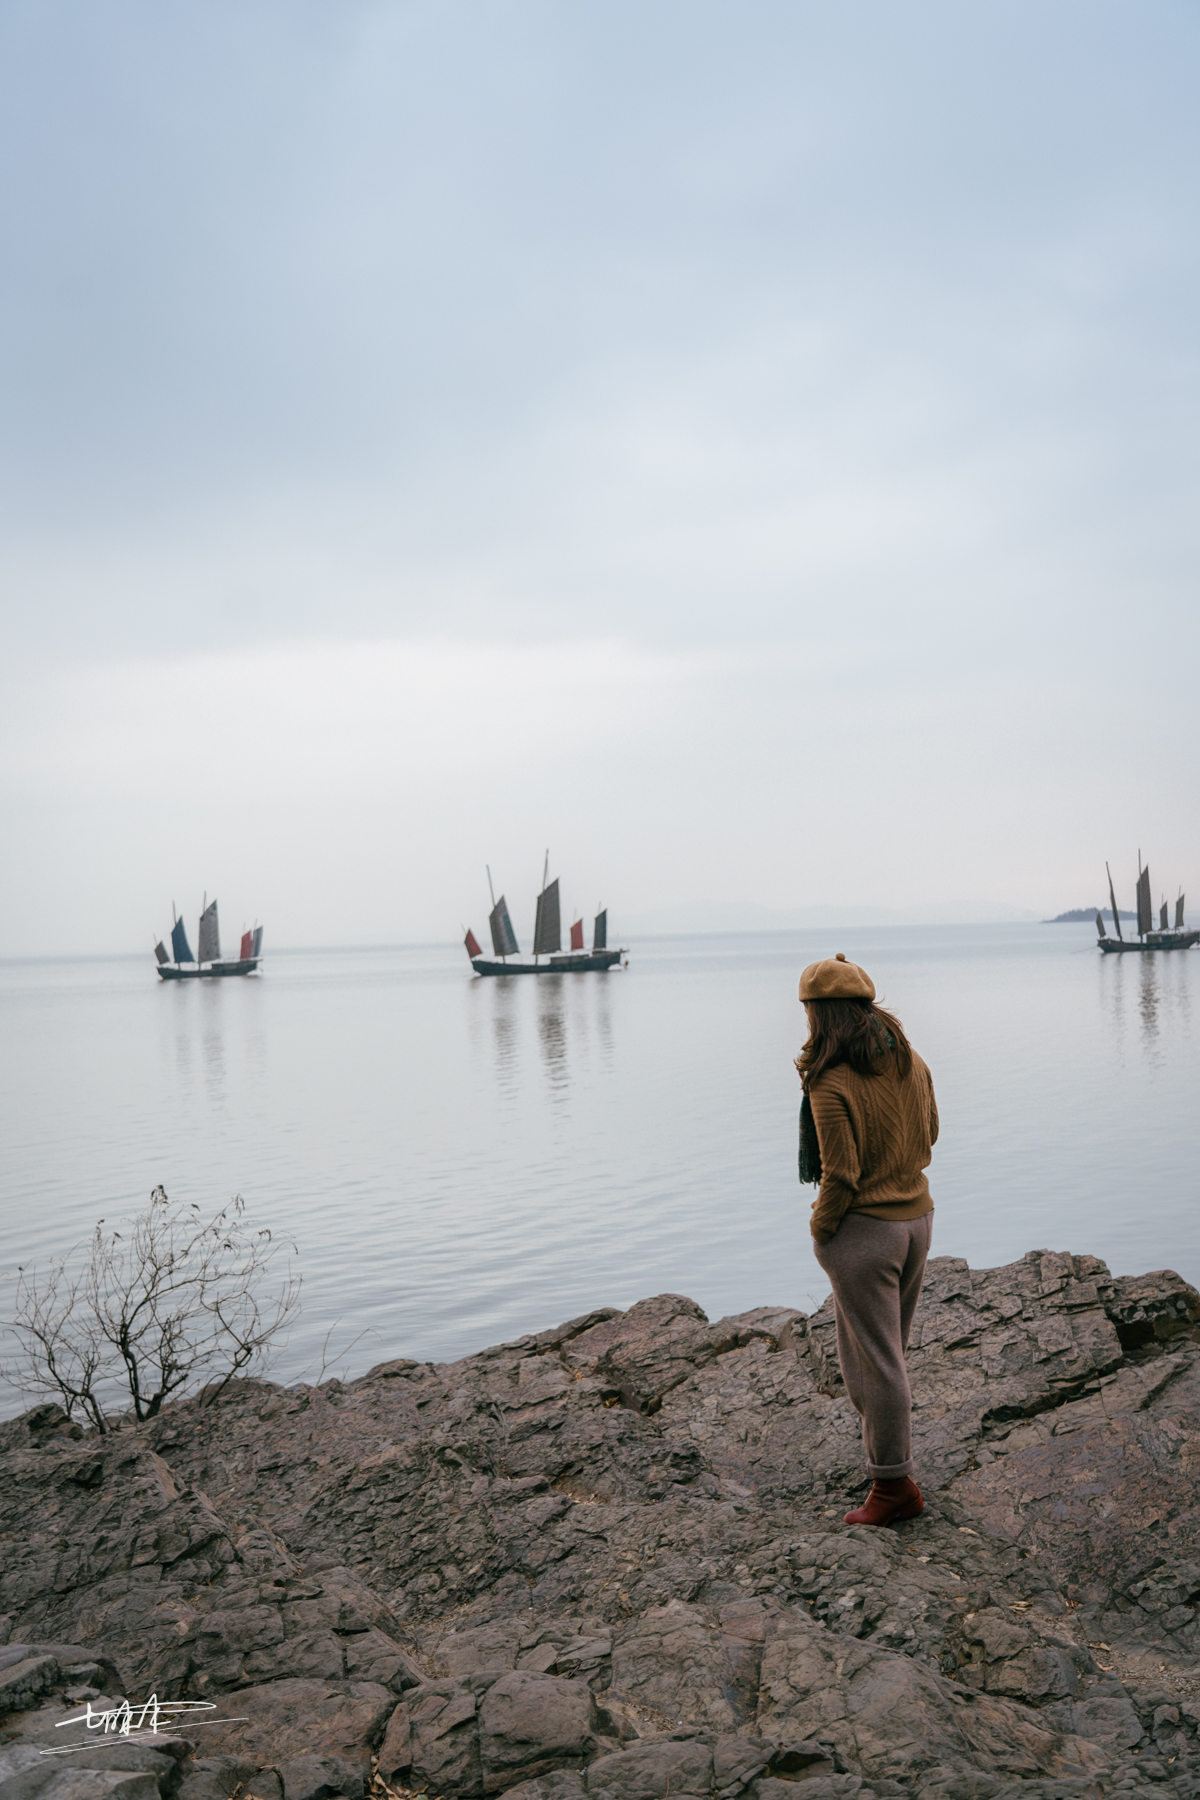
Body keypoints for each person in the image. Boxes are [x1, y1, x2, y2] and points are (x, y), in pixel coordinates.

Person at [796, 952, 938, 1528]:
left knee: (877, 1365)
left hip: (865, 1233)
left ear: (819, 1014)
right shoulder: (910, 1060)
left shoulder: (828, 1081)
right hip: (918, 1220)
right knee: (883, 1358)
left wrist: (821, 1229)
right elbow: (931, 1132)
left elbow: (841, 1174)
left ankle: (893, 1487)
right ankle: (890, 1471)